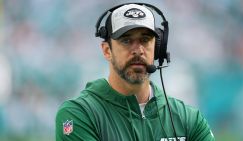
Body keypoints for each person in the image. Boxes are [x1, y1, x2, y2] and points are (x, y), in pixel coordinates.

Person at [55, 3, 215, 141]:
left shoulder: (188, 118)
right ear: (106, 50)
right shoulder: (79, 114)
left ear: (158, 48)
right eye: (126, 40)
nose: (138, 50)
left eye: (145, 40)